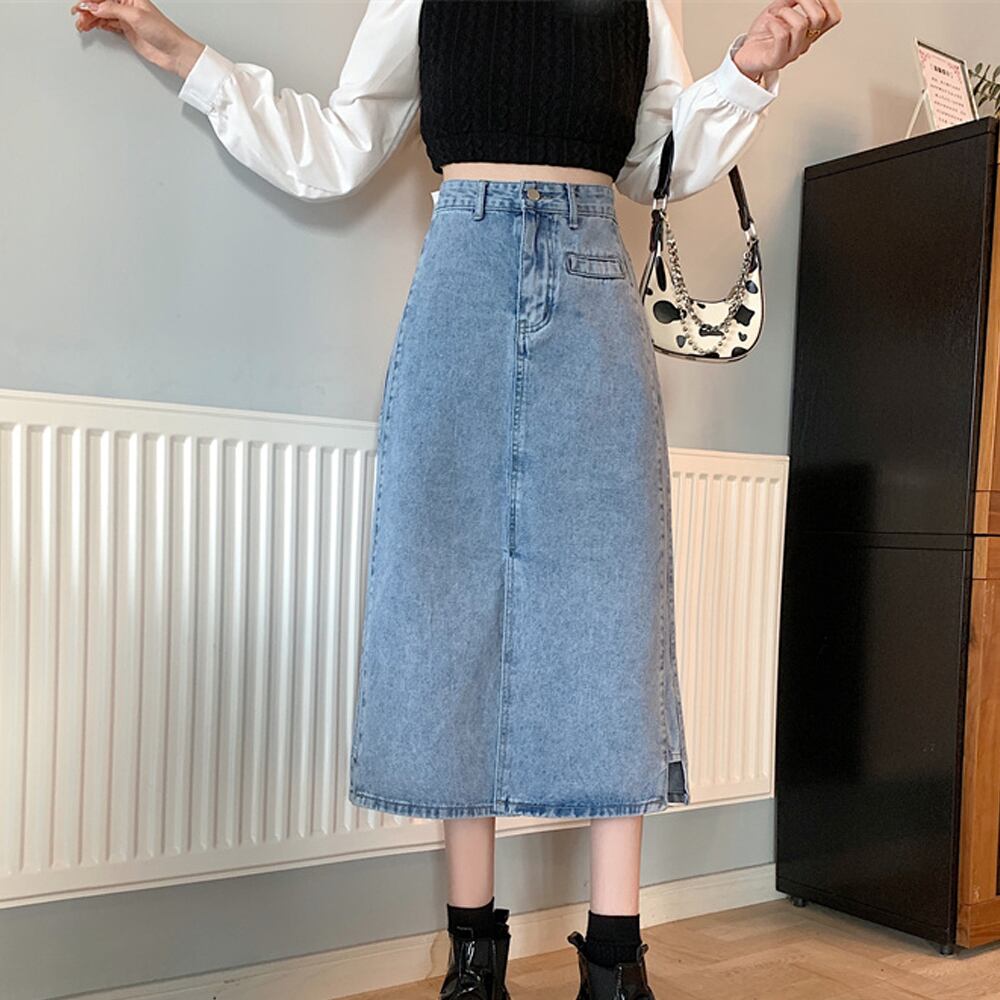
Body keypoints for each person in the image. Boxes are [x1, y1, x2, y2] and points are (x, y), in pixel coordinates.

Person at [69, 1, 839, 997]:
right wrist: (185, 55)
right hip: (460, 285)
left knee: (614, 605)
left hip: (593, 285)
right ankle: (473, 955)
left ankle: (616, 958)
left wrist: (746, 68)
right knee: (444, 598)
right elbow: (339, 145)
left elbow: (658, 163)